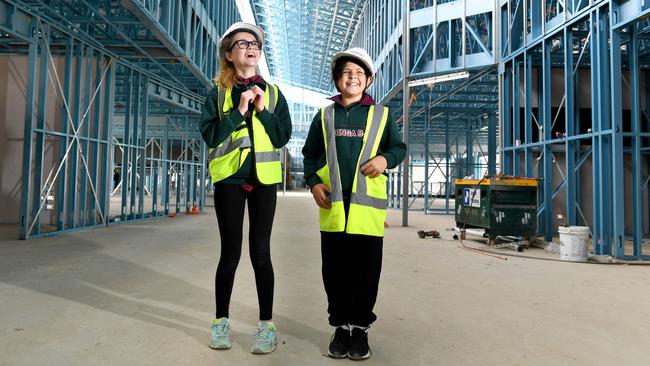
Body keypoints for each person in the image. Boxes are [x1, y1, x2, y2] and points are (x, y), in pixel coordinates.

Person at [302, 48, 406, 360]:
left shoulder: (381, 115)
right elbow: (310, 155)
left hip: (367, 211)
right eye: (347, 72)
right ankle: (340, 327)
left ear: (369, 80)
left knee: (366, 272)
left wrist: (384, 159)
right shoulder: (325, 116)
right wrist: (313, 183)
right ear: (337, 79)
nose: (353, 77)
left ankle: (360, 329)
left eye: (360, 73)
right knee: (334, 272)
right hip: (334, 207)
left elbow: (399, 148)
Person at [199, 22, 291, 354]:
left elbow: (282, 137)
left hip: (264, 181)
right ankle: (220, 322)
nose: (250, 47)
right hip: (230, 181)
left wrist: (262, 110)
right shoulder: (218, 94)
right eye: (242, 43)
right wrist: (239, 112)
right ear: (229, 53)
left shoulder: (275, 94)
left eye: (255, 43)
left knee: (261, 254)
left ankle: (266, 325)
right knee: (230, 254)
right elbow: (210, 136)